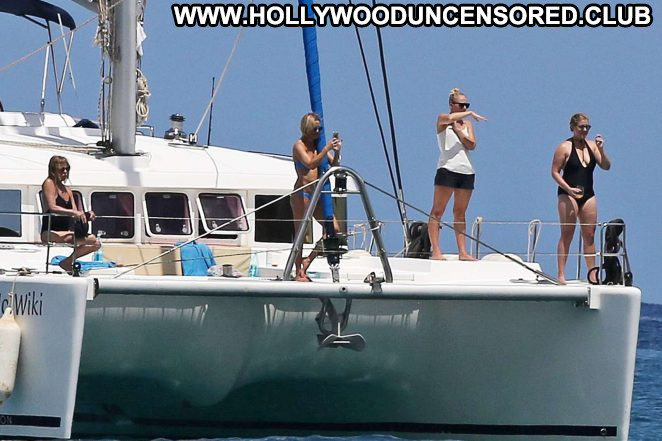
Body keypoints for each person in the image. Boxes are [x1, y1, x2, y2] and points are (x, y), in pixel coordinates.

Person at [428, 88, 487, 260]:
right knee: (437, 211)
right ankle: (436, 250)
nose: (465, 108)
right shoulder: (442, 119)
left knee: (460, 213)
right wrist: (468, 114)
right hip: (447, 169)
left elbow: (471, 144)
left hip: (466, 170)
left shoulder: (467, 124)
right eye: (461, 105)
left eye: (467, 105)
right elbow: (449, 119)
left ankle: (463, 252)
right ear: (452, 104)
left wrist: (459, 130)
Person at [551, 113, 611, 284]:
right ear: (573, 127)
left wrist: (601, 149)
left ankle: (592, 274)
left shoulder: (592, 146)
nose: (584, 130)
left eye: (587, 127)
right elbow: (554, 172)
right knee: (567, 233)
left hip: (588, 194)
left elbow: (606, 166)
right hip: (567, 193)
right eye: (581, 127)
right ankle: (561, 274)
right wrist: (568, 188)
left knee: (589, 234)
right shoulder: (564, 147)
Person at [290, 112, 341, 282]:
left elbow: (334, 165)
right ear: (307, 129)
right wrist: (326, 148)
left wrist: (336, 151)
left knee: (334, 228)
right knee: (301, 232)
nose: (318, 132)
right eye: (315, 129)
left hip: (317, 195)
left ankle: (308, 260)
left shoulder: (319, 147)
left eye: (319, 129)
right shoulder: (299, 146)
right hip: (302, 193)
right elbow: (310, 163)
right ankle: (298, 271)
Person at [41, 155, 100, 272]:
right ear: (53, 170)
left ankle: (67, 262)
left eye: (67, 169)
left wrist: (87, 215)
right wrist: (74, 212)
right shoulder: (49, 183)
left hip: (67, 231)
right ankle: (67, 263)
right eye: (61, 169)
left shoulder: (68, 190)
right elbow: (52, 207)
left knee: (96, 243)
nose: (65, 172)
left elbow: (75, 212)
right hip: (50, 231)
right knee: (92, 239)